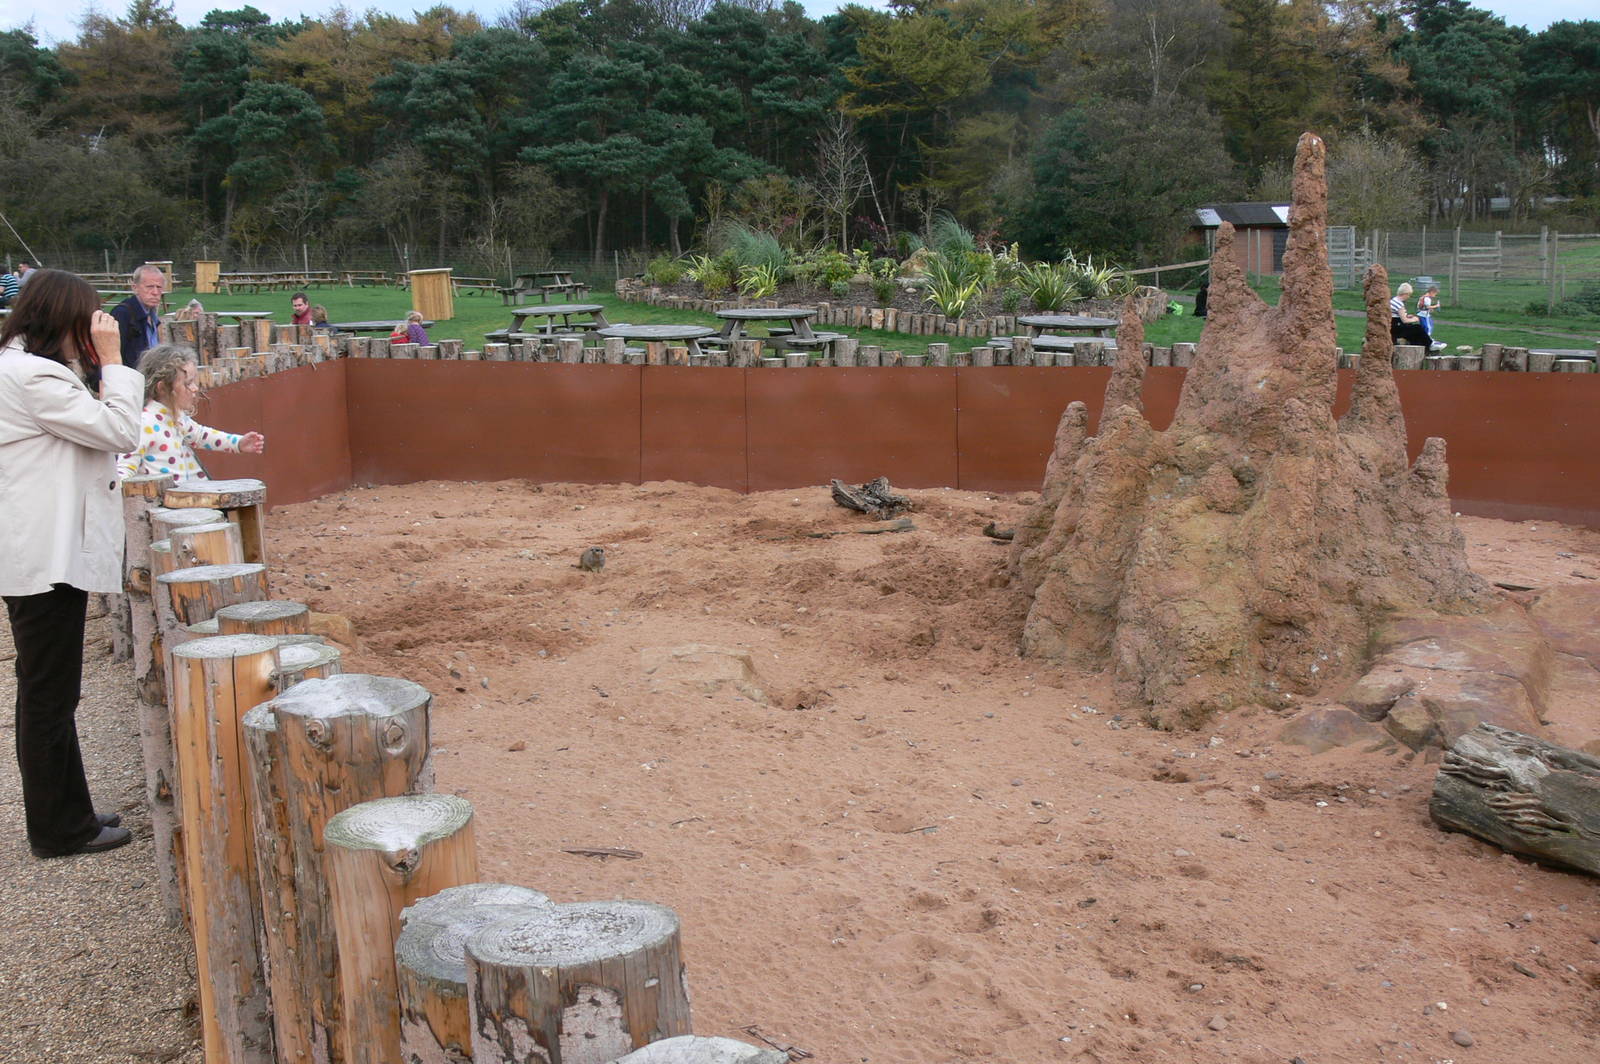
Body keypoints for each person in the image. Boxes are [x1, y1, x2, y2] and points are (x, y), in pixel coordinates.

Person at [0, 269, 143, 858]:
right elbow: (122, 429)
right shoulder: (32, 377)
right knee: (48, 695)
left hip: (39, 553)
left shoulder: (23, 369)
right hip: (44, 557)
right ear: (63, 319)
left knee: (51, 692)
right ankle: (59, 830)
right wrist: (112, 358)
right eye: (88, 319)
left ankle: (71, 813)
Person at [117, 344, 264, 482]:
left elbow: (200, 436)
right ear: (162, 388)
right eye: (187, 383)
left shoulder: (177, 417)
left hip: (186, 500)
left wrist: (238, 443)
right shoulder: (145, 423)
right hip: (163, 506)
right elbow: (124, 469)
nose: (194, 389)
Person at [110, 264, 166, 370]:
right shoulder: (122, 314)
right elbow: (113, 355)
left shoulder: (152, 315)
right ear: (135, 288)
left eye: (159, 287)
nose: (155, 292)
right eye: (149, 287)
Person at [1388, 282, 1432, 351]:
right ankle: (1429, 344)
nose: (1408, 297)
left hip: (1394, 326)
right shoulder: (1399, 304)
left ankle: (1420, 346)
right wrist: (1415, 319)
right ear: (1406, 294)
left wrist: (1407, 316)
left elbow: (1396, 315)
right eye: (1409, 295)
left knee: (1413, 330)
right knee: (1418, 328)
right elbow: (1405, 320)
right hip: (1397, 329)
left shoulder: (1393, 300)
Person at [1417, 285, 1444, 351]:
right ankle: (1428, 338)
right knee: (1428, 327)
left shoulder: (1423, 297)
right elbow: (1427, 307)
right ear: (1432, 292)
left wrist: (1429, 309)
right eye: (1435, 294)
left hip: (1422, 314)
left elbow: (1423, 306)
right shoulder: (1427, 298)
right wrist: (1436, 306)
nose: (1435, 295)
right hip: (1424, 315)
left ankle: (1425, 337)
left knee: (1427, 325)